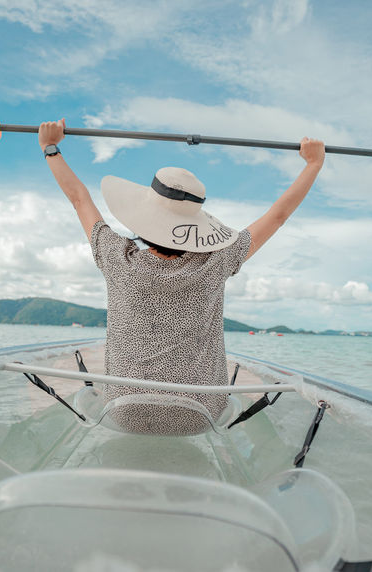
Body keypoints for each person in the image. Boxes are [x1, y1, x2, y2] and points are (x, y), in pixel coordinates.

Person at [39, 119, 324, 434]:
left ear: (144, 218)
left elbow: (79, 198)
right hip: (200, 416)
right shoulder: (218, 260)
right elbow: (278, 216)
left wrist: (50, 148)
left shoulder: (115, 256)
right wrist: (314, 163)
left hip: (124, 412)